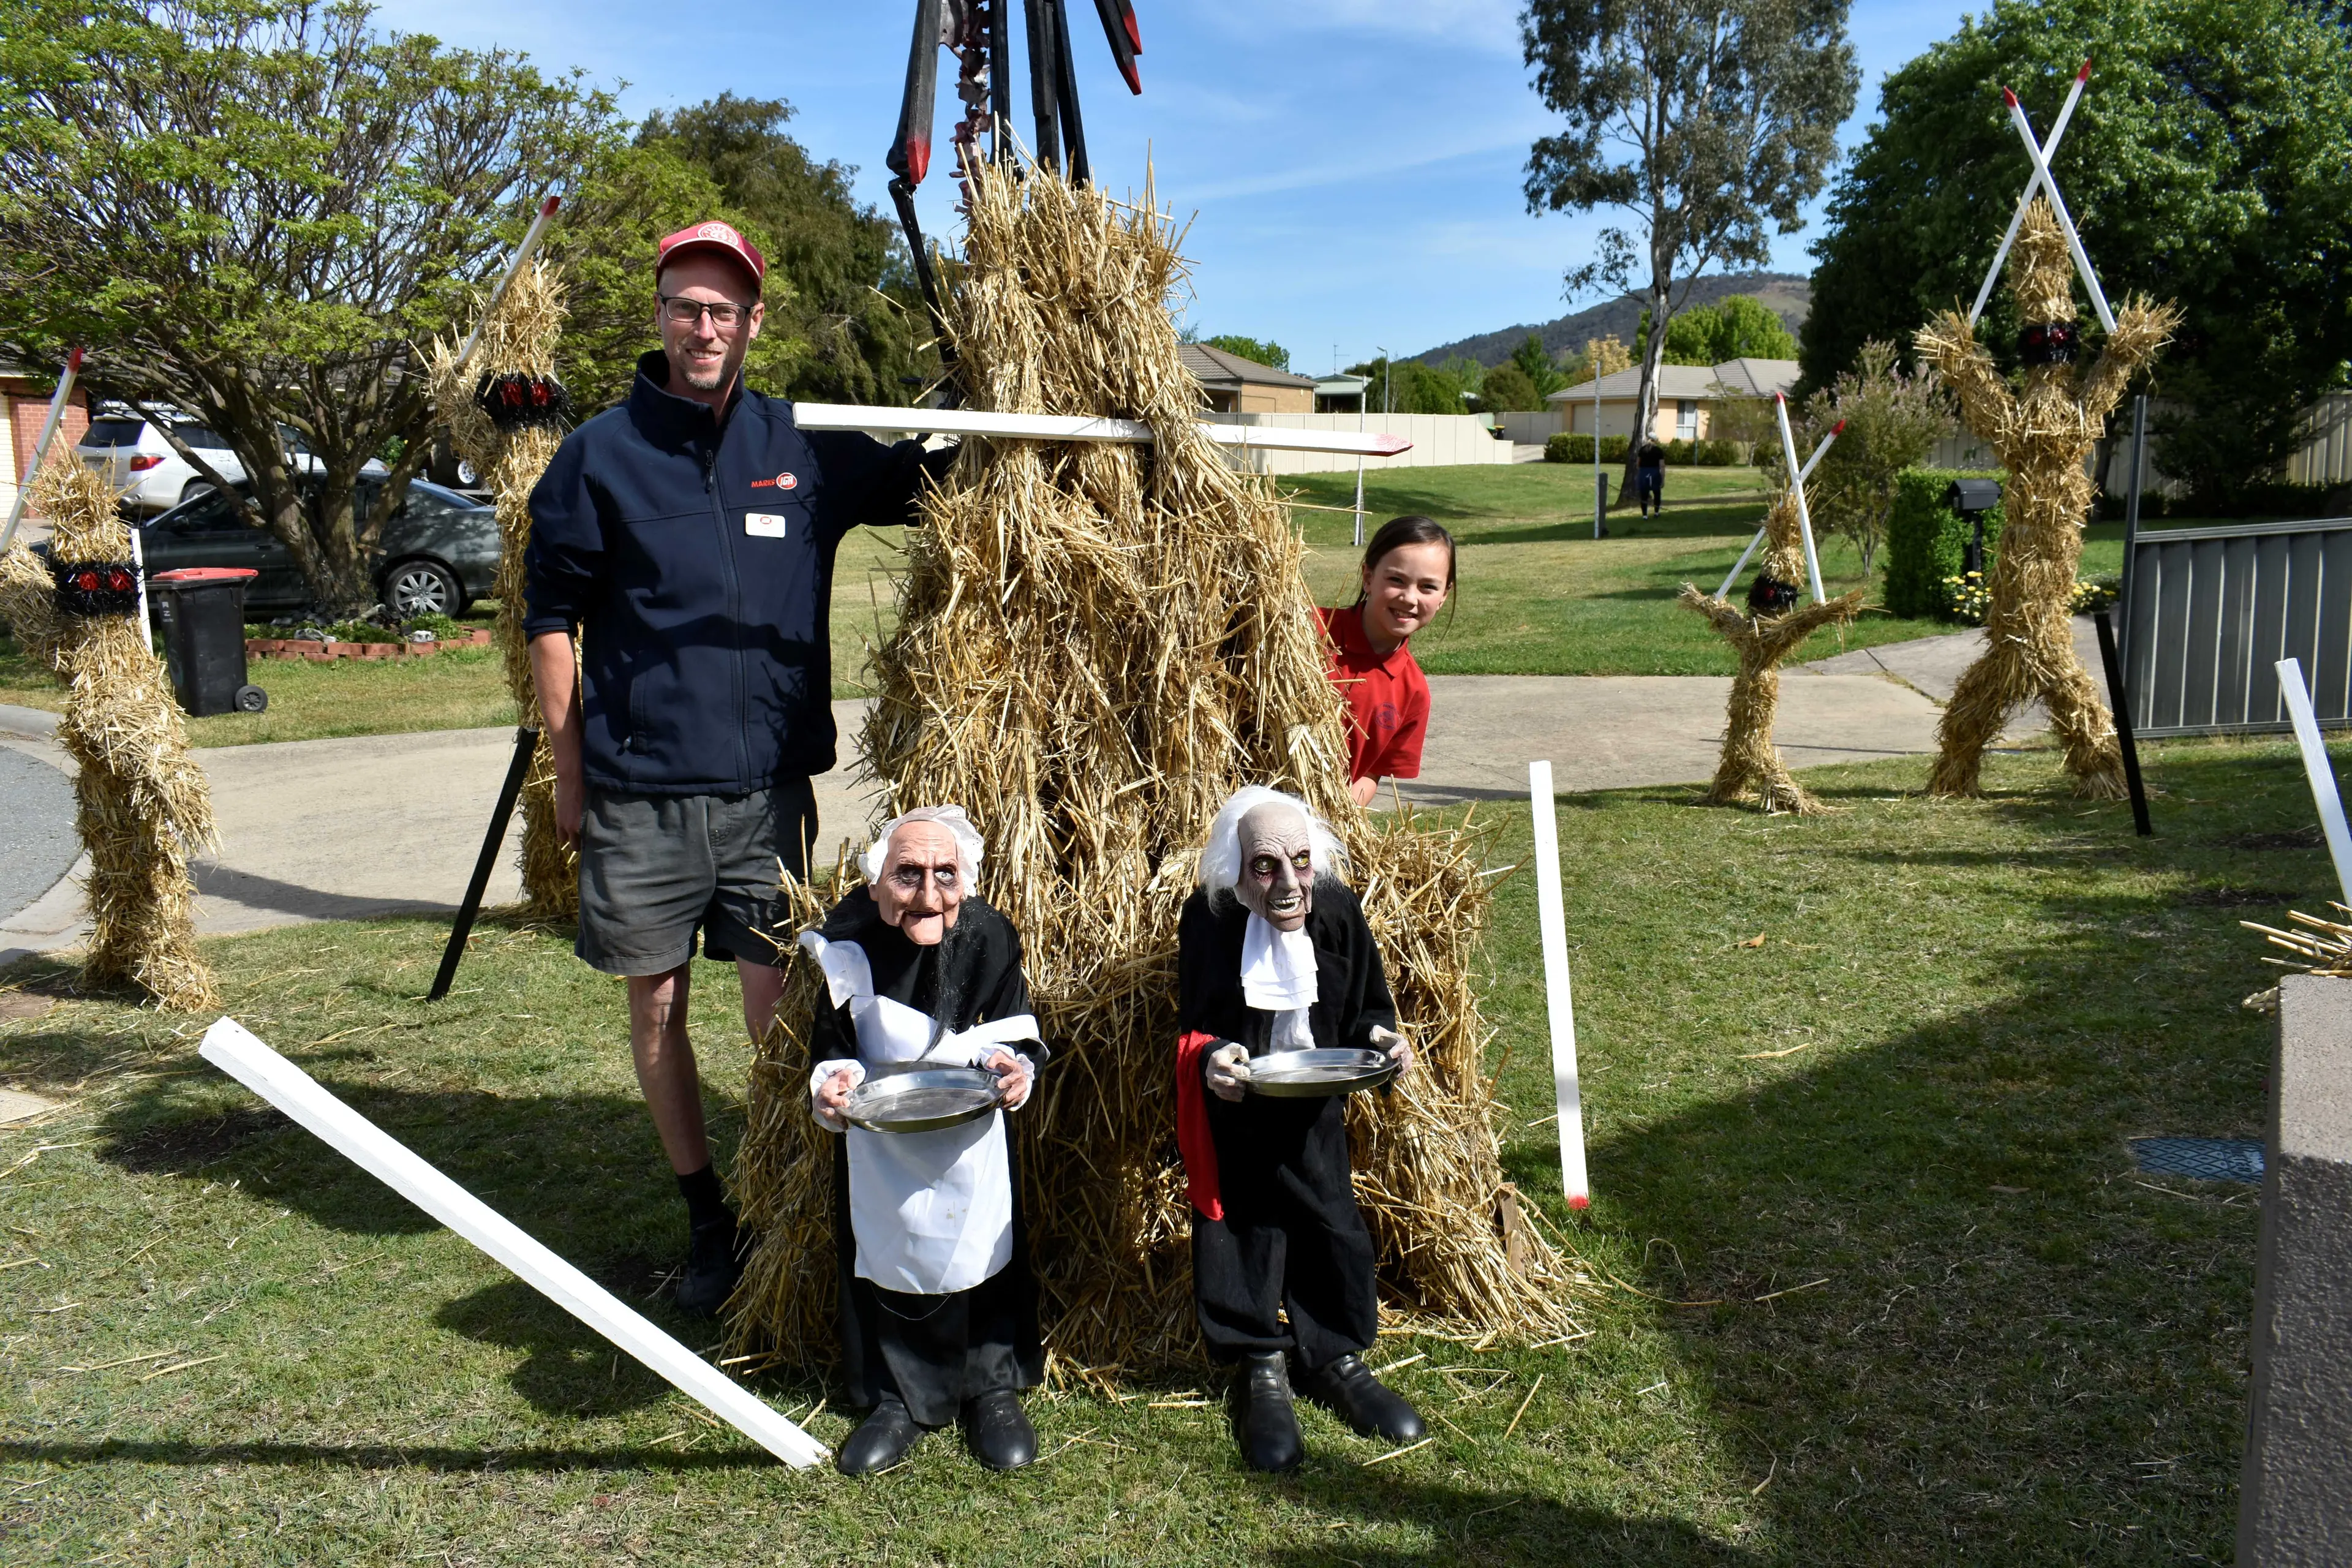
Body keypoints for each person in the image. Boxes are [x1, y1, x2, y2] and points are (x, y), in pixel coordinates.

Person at [522, 219, 955, 1316]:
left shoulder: (802, 443)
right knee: (659, 1006)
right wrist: (570, 775)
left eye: (724, 310)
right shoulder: (598, 457)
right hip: (639, 790)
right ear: (660, 317)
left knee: (777, 1007)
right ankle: (707, 1213)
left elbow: (931, 482)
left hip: (767, 793)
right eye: (685, 307)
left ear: (754, 322)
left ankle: (789, 1193)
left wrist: (989, 397)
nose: (704, 326)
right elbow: (551, 620)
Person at [1172, 786, 1424, 1472]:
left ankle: (1334, 1355)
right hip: (1241, 1110)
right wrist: (1214, 1056)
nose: (1288, 885)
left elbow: (1370, 1005)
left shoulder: (1335, 907)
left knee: (1330, 1216)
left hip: (1319, 1102)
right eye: (1266, 867)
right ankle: (1260, 1365)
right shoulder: (1211, 919)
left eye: (1302, 863)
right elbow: (1195, 1021)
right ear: (1238, 871)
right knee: (1245, 1225)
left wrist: (1382, 1039)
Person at [803, 807, 1044, 1475]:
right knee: (893, 1254)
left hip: (970, 1130)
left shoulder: (991, 934)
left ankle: (991, 1386)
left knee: (982, 1245)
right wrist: (835, 1080)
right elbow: (832, 1045)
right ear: (876, 880)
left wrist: (1016, 1067)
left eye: (946, 874)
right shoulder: (848, 944)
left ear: (966, 880)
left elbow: (1020, 1024)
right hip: (882, 1139)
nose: (930, 896)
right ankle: (896, 1397)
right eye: (907, 875)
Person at [1317, 516, 1453, 809]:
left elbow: (1371, 773)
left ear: (1443, 596)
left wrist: (1336, 814)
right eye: (1396, 580)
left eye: (1428, 587)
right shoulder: (1308, 630)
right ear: (1368, 578)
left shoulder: (1413, 693)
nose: (1409, 598)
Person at [1635, 435, 1666, 518]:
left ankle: (1645, 515)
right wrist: (1663, 479)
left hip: (1644, 473)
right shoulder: (1659, 451)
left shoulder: (1642, 450)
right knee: (1657, 493)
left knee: (1644, 495)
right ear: (1656, 440)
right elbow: (1662, 466)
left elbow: (1638, 464)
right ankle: (1656, 513)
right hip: (1655, 473)